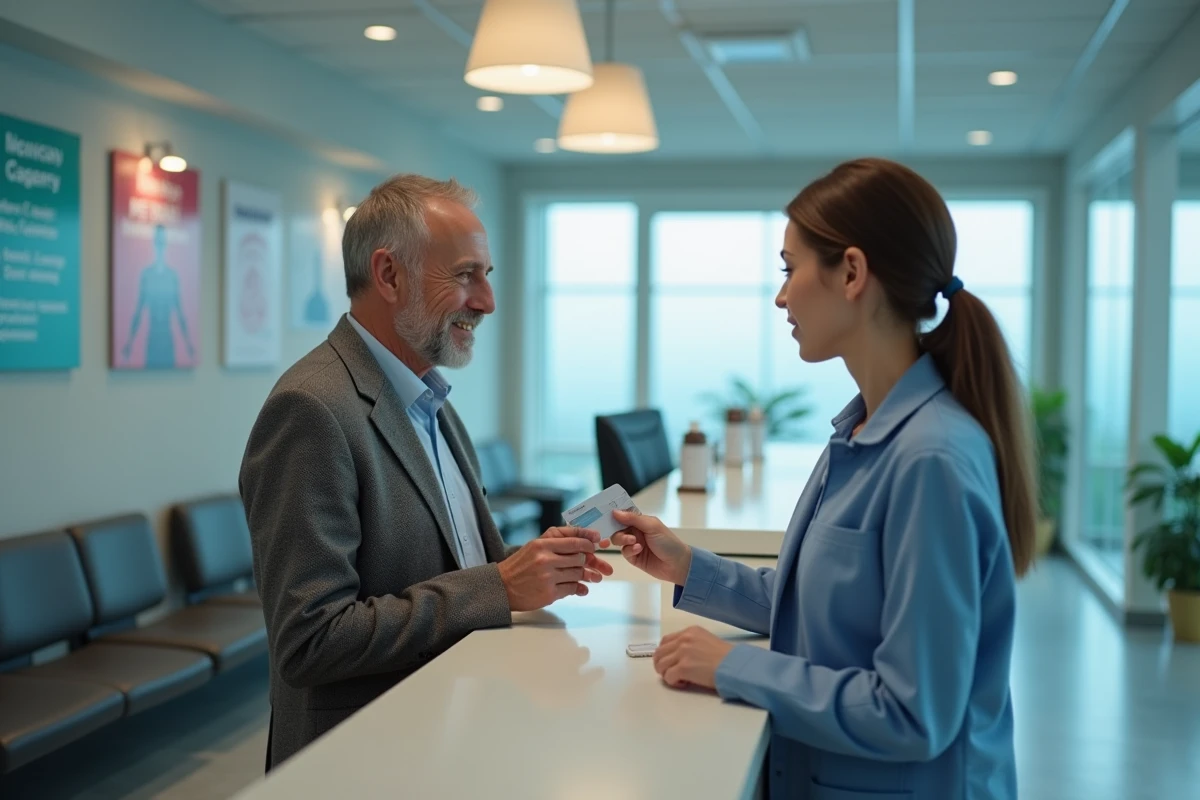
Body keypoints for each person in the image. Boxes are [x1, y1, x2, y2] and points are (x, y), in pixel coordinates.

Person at [611, 158, 1035, 800]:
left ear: (852, 273)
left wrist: (734, 666)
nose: (780, 296)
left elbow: (913, 713)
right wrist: (688, 566)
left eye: (789, 269)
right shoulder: (859, 430)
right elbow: (814, 608)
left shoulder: (931, 461)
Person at [239, 175, 613, 770]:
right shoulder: (310, 410)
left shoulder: (432, 402)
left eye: (487, 276)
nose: (486, 301)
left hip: (451, 729)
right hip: (364, 759)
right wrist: (500, 586)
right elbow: (311, 640)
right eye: (466, 275)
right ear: (389, 275)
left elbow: (457, 564)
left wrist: (536, 562)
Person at [122, 223, 195, 368]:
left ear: (166, 244)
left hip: (168, 341)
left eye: (162, 241)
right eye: (157, 240)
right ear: (154, 243)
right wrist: (129, 342)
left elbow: (180, 314)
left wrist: (188, 343)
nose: (160, 244)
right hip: (152, 340)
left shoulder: (172, 276)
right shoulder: (147, 275)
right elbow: (138, 312)